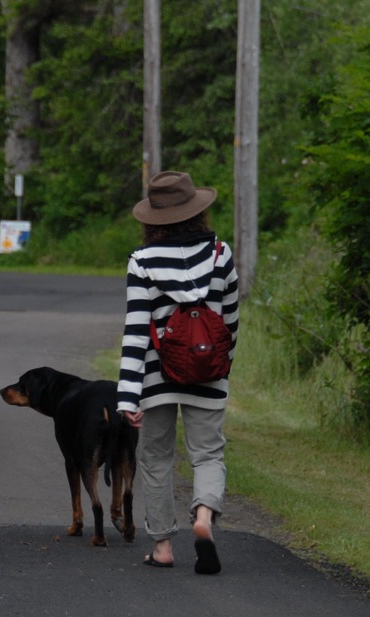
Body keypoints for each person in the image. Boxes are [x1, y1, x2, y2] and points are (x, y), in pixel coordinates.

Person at [116, 170, 239, 575]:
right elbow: (230, 321)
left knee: (156, 457)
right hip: (209, 371)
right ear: (197, 211)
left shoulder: (142, 261)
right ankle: (203, 515)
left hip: (156, 376)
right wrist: (221, 365)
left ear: (153, 218)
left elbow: (136, 331)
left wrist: (127, 396)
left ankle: (163, 546)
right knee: (208, 454)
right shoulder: (220, 253)